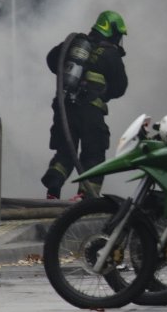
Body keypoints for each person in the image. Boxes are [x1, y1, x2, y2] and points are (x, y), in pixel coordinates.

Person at [41, 10, 128, 200]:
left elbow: (51, 59)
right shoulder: (111, 54)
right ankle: (85, 196)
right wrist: (103, 93)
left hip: (64, 108)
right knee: (93, 153)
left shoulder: (74, 44)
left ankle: (53, 189)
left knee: (64, 152)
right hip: (91, 113)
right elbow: (121, 87)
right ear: (112, 30)